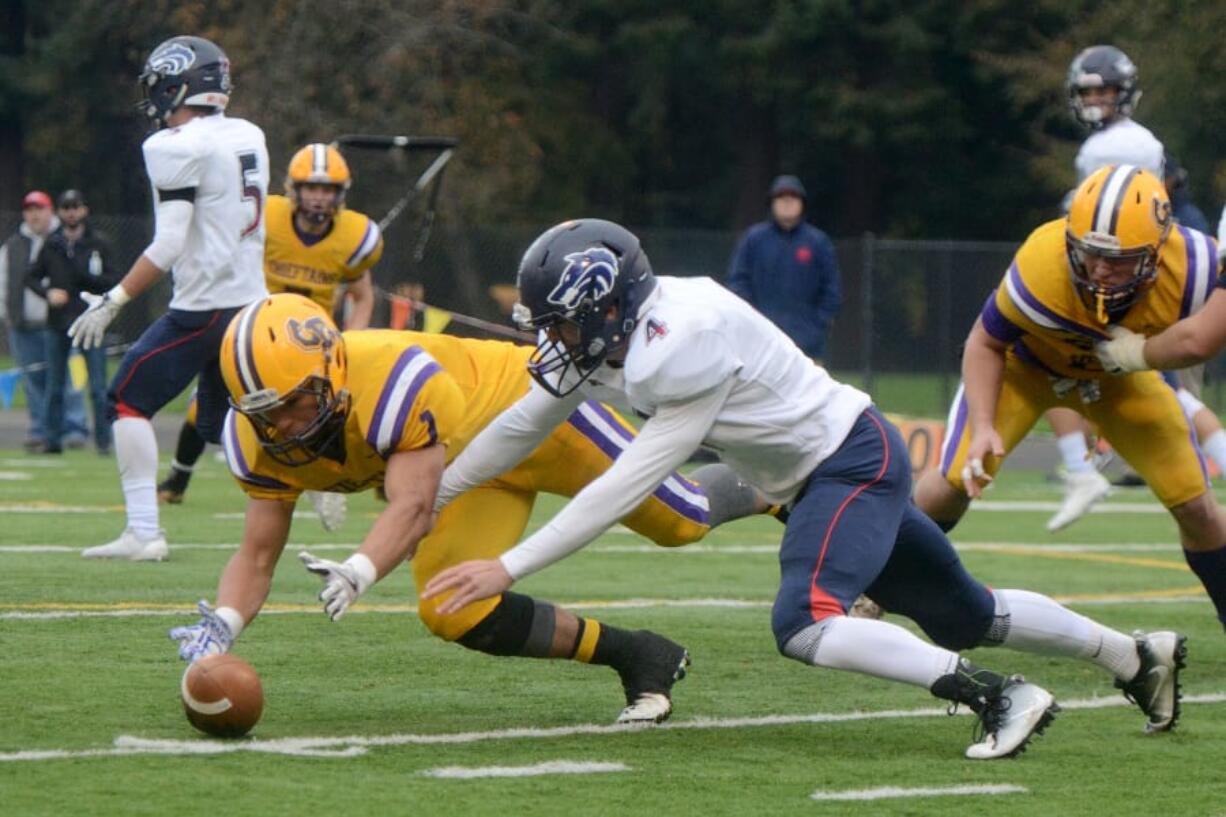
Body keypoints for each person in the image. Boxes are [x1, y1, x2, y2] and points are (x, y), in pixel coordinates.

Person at [419, 218, 1185, 759]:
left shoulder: (678, 344)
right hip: (831, 464)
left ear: (609, 305)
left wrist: (508, 566)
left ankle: (997, 695)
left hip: (845, 463)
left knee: (805, 620)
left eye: (562, 321)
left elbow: (629, 483)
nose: (551, 338)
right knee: (964, 609)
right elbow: (523, 422)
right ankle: (1132, 654)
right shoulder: (627, 330)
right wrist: (437, 493)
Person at [168, 293, 775, 724]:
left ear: (331, 371)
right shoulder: (264, 439)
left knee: (682, 519)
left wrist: (359, 569)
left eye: (296, 402)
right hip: (467, 475)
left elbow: (414, 503)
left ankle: (780, 484)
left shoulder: (390, 380)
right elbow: (257, 551)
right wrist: (225, 623)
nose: (283, 424)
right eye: (265, 411)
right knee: (451, 607)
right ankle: (639, 653)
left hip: (533, 420)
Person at [914, 165, 1226, 634]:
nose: (1100, 268)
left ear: (1158, 252)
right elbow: (985, 342)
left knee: (1195, 505)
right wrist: (983, 427)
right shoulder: (1044, 259)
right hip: (1028, 369)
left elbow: (1200, 339)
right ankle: (880, 576)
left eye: (1118, 259)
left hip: (1121, 377)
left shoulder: (1199, 265)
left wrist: (1140, 355)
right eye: (1090, 252)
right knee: (954, 480)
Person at [70, 35, 269, 561]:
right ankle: (312, 479)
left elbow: (169, 242)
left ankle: (143, 531)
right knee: (218, 423)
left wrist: (114, 298)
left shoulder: (175, 145)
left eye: (158, 87)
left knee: (126, 399)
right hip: (251, 305)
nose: (153, 97)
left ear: (180, 85)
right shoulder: (248, 133)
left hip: (204, 308)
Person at [156, 142, 381, 533]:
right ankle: (178, 477)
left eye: (328, 190)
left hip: (314, 347)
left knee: (334, 413)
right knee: (203, 410)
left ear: (341, 194)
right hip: (257, 334)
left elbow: (363, 295)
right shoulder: (268, 217)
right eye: (312, 187)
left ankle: (369, 479)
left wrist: (351, 339)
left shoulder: (354, 235)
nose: (319, 197)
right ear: (293, 188)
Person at [1045, 45, 1166, 527]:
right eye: (1088, 91)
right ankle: (1082, 468)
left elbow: (1099, 221)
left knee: (1038, 357)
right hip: (1130, 269)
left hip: (1110, 274)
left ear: (1125, 93)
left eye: (1104, 90)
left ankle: (1080, 469)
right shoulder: (1136, 141)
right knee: (1160, 384)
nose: (1095, 99)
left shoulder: (1108, 148)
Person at [24, 190, 121, 454]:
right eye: (66, 207)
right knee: (55, 385)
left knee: (98, 387)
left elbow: (113, 280)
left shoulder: (98, 243)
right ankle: (52, 441)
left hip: (90, 321)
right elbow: (31, 277)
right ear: (59, 211)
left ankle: (103, 443)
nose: (71, 212)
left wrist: (86, 280)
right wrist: (48, 294)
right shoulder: (52, 244)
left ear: (84, 210)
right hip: (58, 323)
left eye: (75, 206)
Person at [1, 191, 90, 451]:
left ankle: (74, 428)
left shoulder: (63, 240)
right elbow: (5, 283)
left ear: (50, 211)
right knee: (34, 382)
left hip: (61, 322)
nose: (34, 214)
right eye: (29, 209)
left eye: (39, 209)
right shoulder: (13, 246)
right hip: (23, 324)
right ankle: (41, 429)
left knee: (68, 379)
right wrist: (8, 316)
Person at [726, 175, 841, 362]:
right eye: (781, 197)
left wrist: (818, 325)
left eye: (793, 197)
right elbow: (738, 283)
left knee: (808, 392)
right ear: (772, 203)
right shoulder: (753, 239)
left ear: (802, 203)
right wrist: (752, 321)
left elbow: (831, 290)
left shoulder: (818, 242)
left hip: (807, 347)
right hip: (760, 344)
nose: (787, 202)